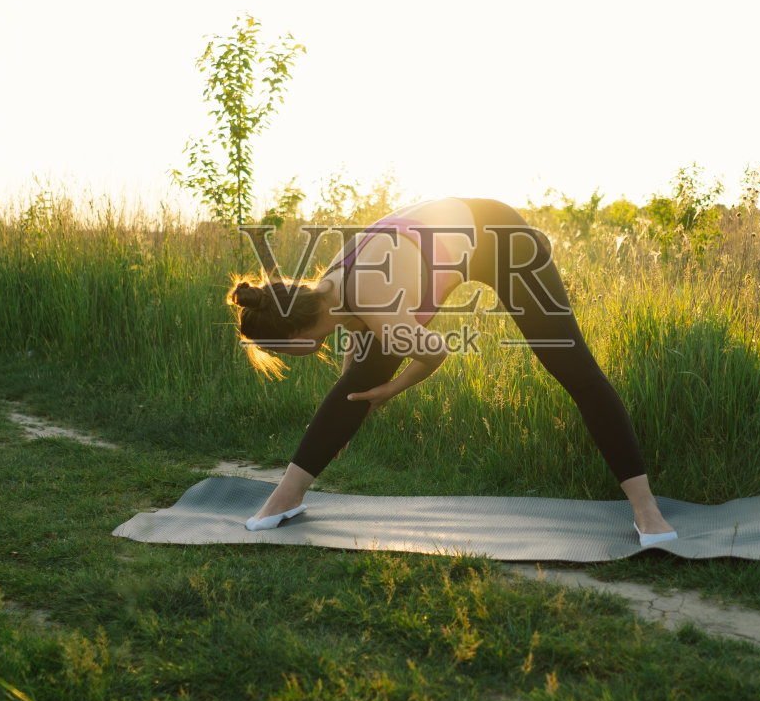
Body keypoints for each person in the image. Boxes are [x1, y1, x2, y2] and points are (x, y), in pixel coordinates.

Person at [226, 196, 678, 545]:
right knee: (357, 386)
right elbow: (357, 355)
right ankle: (285, 498)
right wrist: (357, 393)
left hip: (501, 241)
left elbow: (435, 351)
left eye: (277, 351)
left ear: (295, 337)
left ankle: (646, 510)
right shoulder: (326, 290)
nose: (282, 358)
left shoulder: (367, 293)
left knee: (573, 369)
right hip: (452, 238)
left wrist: (391, 389)